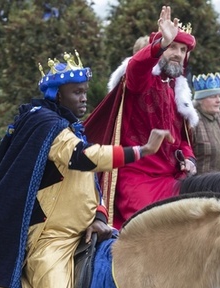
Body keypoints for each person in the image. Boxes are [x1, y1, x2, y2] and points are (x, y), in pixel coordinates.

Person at [0, 51, 170, 288]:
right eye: (77, 92)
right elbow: (84, 159)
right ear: (56, 94)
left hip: (87, 230)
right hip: (51, 237)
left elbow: (87, 184)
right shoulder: (45, 124)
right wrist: (141, 152)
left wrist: (100, 217)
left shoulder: (68, 126)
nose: (84, 98)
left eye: (86, 91)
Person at [84, 5, 199, 228]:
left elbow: (183, 141)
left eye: (183, 50)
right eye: (172, 47)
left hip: (174, 180)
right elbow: (136, 66)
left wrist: (190, 160)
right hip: (138, 180)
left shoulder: (178, 90)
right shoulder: (142, 80)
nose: (177, 54)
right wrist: (160, 44)